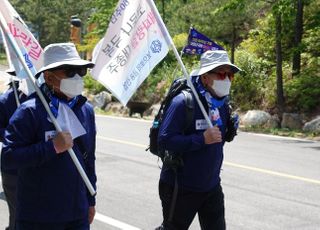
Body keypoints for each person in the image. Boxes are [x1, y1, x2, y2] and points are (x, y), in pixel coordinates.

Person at [1, 43, 97, 230]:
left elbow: (89, 159)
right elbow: (8, 158)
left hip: (76, 214)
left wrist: (90, 199)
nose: (77, 77)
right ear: (49, 77)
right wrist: (51, 147)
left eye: (81, 71)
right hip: (38, 216)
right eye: (70, 72)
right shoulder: (29, 111)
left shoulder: (86, 110)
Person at [157, 50, 241, 230]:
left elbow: (219, 139)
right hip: (181, 186)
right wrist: (200, 139)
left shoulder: (222, 105)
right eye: (220, 73)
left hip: (211, 186)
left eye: (229, 75)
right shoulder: (183, 102)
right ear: (204, 78)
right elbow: (164, 139)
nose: (225, 79)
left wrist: (230, 131)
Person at [0, 69, 28, 230]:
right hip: (14, 169)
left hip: (37, 167)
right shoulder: (5, 100)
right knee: (18, 214)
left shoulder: (41, 98)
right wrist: (16, 135)